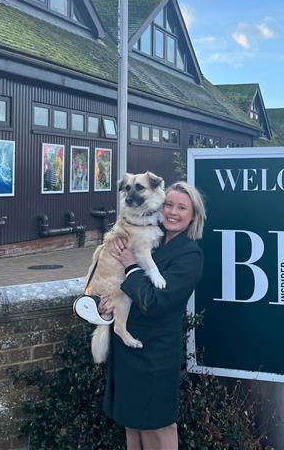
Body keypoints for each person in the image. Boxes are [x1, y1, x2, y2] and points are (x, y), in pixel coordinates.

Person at [98, 181, 206, 450]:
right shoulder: (151, 239)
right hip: (129, 350)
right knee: (133, 425)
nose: (172, 212)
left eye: (182, 208)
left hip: (155, 355)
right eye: (169, 204)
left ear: (193, 216)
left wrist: (132, 267)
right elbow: (120, 284)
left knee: (158, 427)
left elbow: (156, 302)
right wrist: (107, 303)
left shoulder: (190, 256)